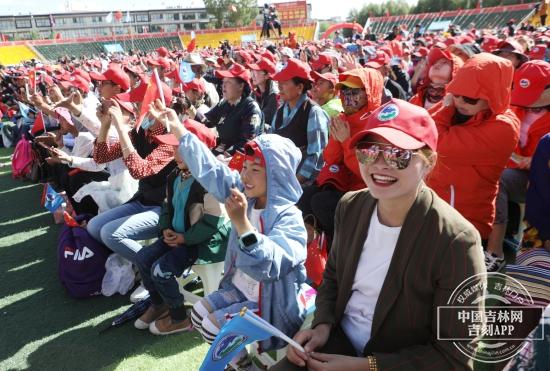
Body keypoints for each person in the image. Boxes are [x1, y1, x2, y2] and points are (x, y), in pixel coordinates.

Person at [272, 99, 486, 370]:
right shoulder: (351, 206)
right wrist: (322, 325)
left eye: (399, 154)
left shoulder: (456, 240)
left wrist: (367, 366)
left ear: (429, 161)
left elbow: (455, 353)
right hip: (336, 345)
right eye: (369, 151)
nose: (380, 164)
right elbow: (334, 276)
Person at [147, 98, 309, 367]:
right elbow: (211, 169)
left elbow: (271, 266)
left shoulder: (288, 216)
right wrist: (179, 130)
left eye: (256, 170)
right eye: (245, 167)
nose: (246, 175)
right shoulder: (247, 195)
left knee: (212, 328)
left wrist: (243, 224)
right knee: (198, 315)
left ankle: (243, 365)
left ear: (278, 175)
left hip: (270, 303)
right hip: (240, 288)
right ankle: (239, 361)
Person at [134, 122, 230, 335]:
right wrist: (165, 228)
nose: (175, 153)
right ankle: (160, 303)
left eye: (181, 148)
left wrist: (184, 239)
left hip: (201, 243)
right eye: (175, 148)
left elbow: (213, 223)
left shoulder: (209, 181)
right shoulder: (175, 175)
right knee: (143, 258)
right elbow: (167, 206)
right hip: (176, 237)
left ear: (199, 151)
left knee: (161, 270)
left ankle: (179, 317)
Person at [427, 53, 520, 244]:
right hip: (436, 212)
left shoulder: (504, 127)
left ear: (493, 96)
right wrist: (450, 103)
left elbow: (433, 139)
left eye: (469, 98)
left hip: (464, 224)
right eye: (456, 94)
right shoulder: (461, 109)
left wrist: (446, 108)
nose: (460, 102)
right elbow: (418, 127)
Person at [86, 87, 177, 263]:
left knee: (109, 233)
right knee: (94, 226)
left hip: (167, 208)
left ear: (158, 106)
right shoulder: (140, 131)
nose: (135, 108)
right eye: (135, 103)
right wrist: (105, 125)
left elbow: (139, 171)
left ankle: (156, 269)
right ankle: (145, 263)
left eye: (139, 103)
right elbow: (101, 157)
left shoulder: (172, 138)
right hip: (144, 199)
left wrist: (120, 127)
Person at [298, 68, 384, 242]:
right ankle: (317, 247)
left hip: (367, 191)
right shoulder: (344, 119)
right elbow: (331, 160)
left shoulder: (377, 124)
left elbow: (368, 173)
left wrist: (346, 141)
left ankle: (340, 248)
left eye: (354, 91)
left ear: (369, 93)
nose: (347, 96)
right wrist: (337, 139)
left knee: (322, 203)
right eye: (344, 90)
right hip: (343, 182)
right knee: (305, 196)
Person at [486, 60, 550, 271]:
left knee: (500, 179)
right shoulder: (515, 108)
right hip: (518, 172)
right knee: (492, 176)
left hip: (543, 179)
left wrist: (538, 159)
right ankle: (495, 248)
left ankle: (498, 251)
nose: (527, 103)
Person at [270, 58, 329, 186]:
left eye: (284, 82)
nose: (279, 86)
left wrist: (293, 184)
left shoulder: (313, 113)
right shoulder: (281, 111)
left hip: (301, 182)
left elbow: (316, 157)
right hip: (281, 174)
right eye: (279, 82)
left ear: (300, 87)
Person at [205, 63, 264, 157]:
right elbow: (208, 122)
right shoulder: (225, 102)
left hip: (238, 159)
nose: (223, 86)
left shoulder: (251, 108)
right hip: (221, 149)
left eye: (228, 82)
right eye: (223, 81)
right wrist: (188, 108)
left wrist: (221, 157)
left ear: (241, 86)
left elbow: (246, 144)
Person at [247, 57, 279, 128]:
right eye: (252, 71)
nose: (253, 76)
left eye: (256, 72)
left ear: (267, 76)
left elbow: (265, 118)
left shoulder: (274, 95)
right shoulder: (255, 92)